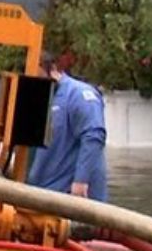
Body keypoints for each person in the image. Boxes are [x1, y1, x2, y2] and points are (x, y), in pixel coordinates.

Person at [27, 52, 108, 201]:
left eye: (38, 75)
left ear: (52, 69)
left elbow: (93, 136)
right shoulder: (39, 97)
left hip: (72, 195)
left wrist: (81, 180)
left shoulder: (79, 95)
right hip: (43, 193)